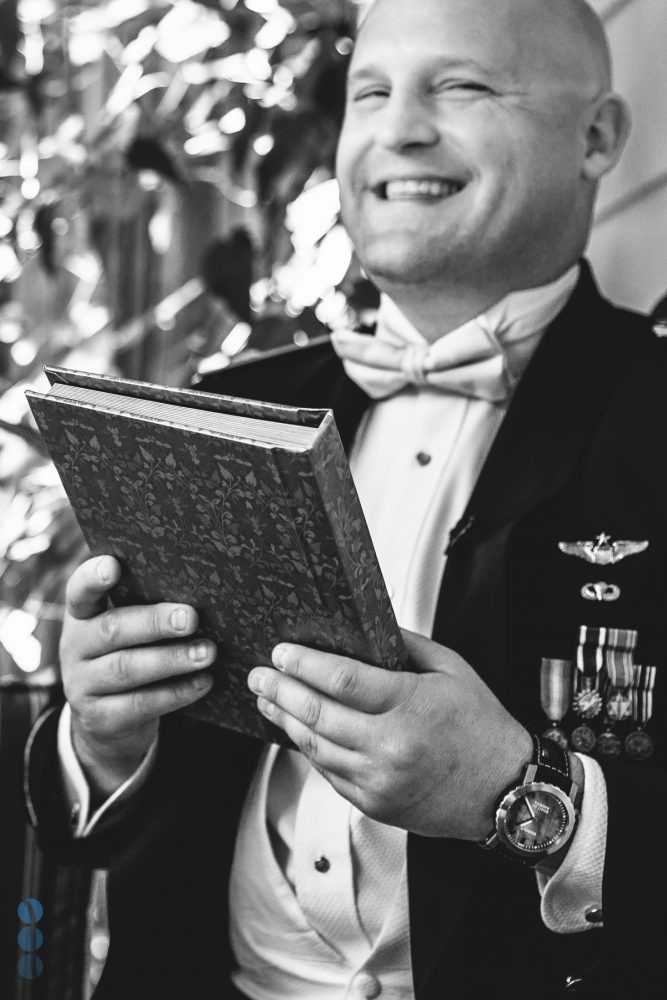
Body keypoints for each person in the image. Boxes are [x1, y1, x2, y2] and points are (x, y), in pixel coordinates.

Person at [25, 0, 666, 997]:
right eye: (371, 91)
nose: (398, 129)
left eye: (459, 85)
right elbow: (114, 825)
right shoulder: (222, 408)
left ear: (596, 138)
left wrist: (525, 793)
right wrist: (102, 737)